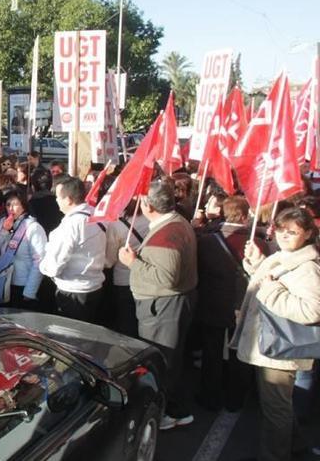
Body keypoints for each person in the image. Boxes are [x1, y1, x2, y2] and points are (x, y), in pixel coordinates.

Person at [234, 207, 320, 461]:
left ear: (307, 234)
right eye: (281, 230)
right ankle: (295, 445)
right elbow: (267, 280)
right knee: (279, 406)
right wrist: (256, 262)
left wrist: (272, 291)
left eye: (292, 232)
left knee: (275, 410)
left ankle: (274, 456)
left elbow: (311, 310)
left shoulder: (308, 268)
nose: (284, 235)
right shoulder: (284, 256)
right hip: (270, 343)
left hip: (280, 348)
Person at [118, 180, 197, 430]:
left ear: (147, 205)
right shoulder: (174, 223)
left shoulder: (167, 235)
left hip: (163, 307)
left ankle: (172, 411)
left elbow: (166, 278)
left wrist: (133, 263)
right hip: (170, 304)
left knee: (163, 360)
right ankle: (176, 407)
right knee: (171, 358)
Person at [195, 195, 263, 412]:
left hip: (213, 302)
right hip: (243, 304)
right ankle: (235, 399)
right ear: (244, 215)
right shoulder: (258, 243)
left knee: (212, 351)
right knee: (240, 353)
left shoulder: (206, 241)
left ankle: (209, 397)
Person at [39, 176, 107, 323]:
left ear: (68, 199)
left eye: (58, 197)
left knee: (71, 337)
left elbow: (53, 266)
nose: (56, 200)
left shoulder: (69, 226)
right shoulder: (98, 215)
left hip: (73, 292)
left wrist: (43, 266)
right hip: (96, 287)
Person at [0, 190, 47, 308]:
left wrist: (30, 291)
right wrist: (4, 230)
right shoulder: (3, 222)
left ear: (24, 206)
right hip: (4, 283)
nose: (11, 208)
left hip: (23, 285)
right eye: (8, 205)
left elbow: (39, 261)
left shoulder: (33, 227)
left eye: (15, 204)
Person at [102, 199, 150, 338]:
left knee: (126, 321)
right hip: (146, 276)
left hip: (124, 280)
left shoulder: (116, 223)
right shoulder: (151, 217)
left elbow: (109, 259)